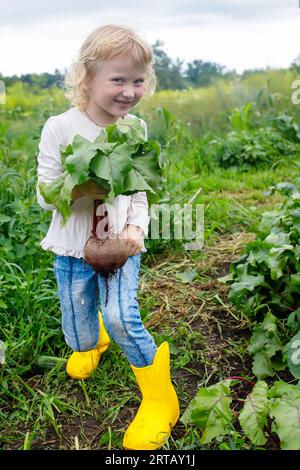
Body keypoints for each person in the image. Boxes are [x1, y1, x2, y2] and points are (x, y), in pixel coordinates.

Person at [36, 23, 179, 450]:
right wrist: (84, 188)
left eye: (138, 81)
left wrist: (135, 228)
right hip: (73, 245)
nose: (129, 91)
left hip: (121, 243)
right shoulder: (60, 128)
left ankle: (159, 397)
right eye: (118, 79)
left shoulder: (133, 129)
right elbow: (46, 194)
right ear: (87, 76)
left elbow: (140, 191)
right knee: (78, 332)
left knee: (120, 315)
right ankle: (91, 342)